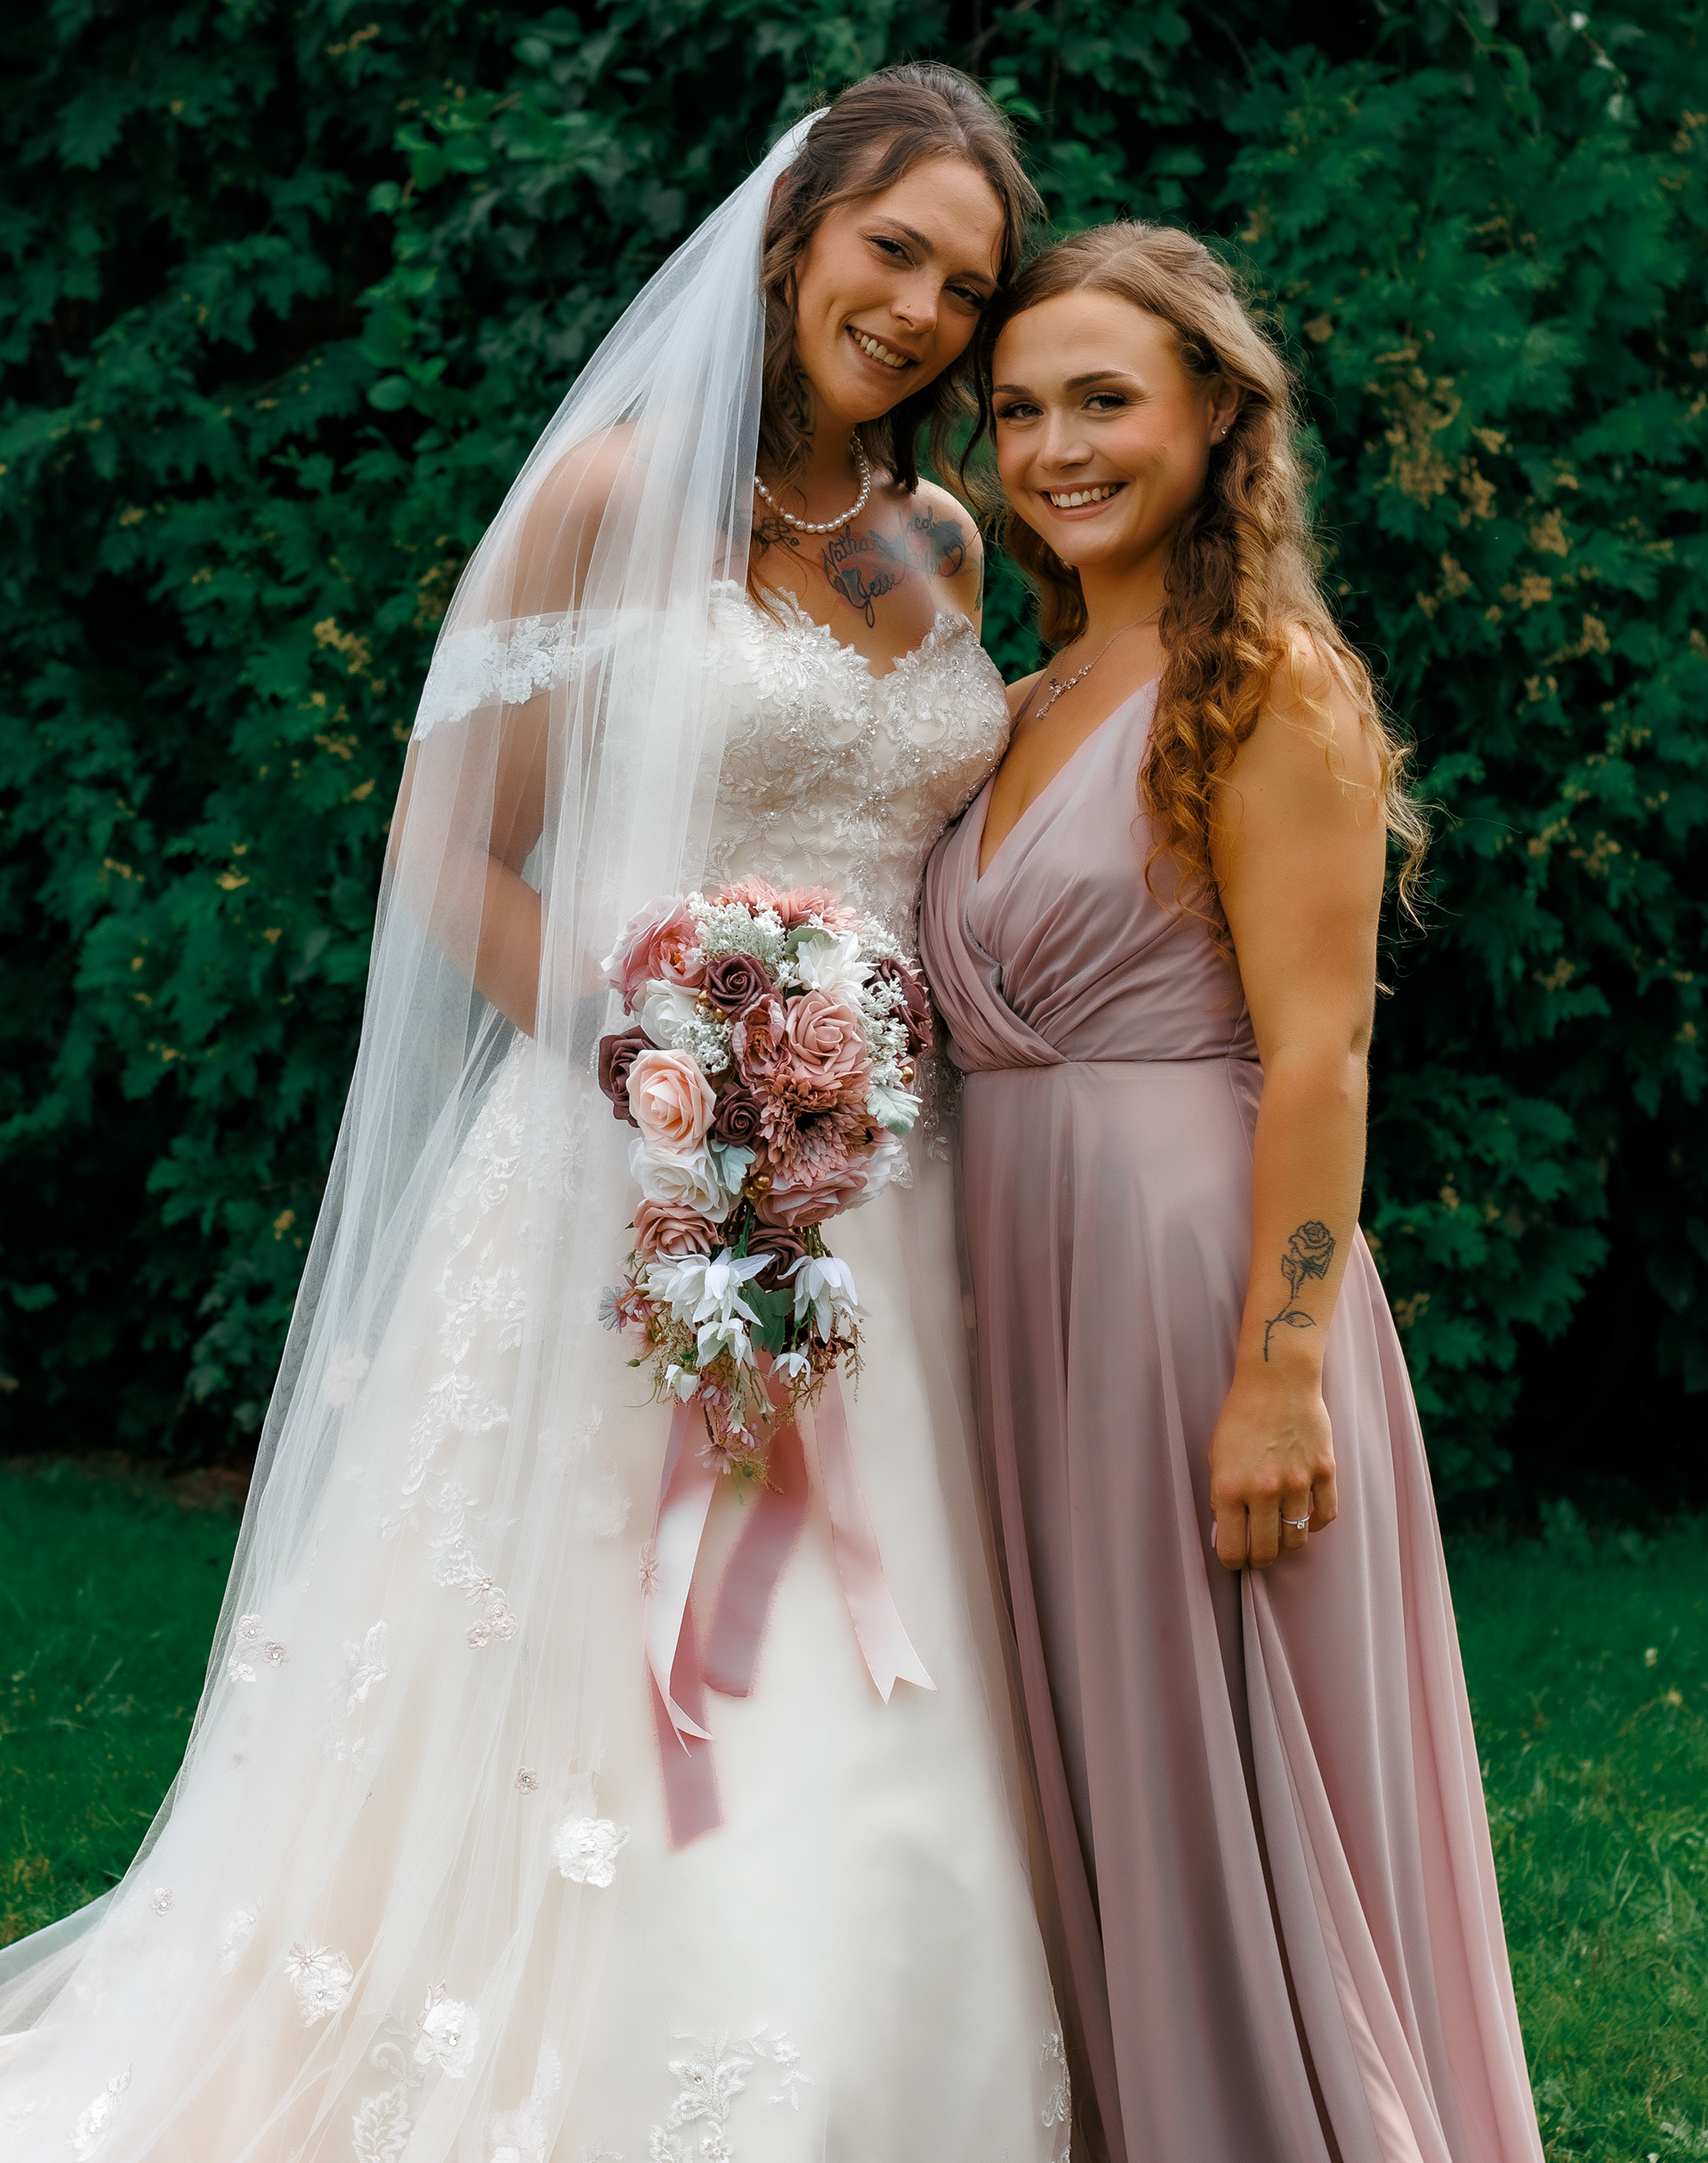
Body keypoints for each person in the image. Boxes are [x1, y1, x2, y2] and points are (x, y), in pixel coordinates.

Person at [0, 69, 1073, 2163]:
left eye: (968, 284)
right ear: (796, 236)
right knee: (602, 1647)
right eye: (895, 250)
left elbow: (938, 816)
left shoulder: (927, 540)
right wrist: (671, 1083)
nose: (926, 309)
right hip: (628, 1167)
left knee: (877, 1647)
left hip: (891, 1196)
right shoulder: (610, 501)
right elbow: (450, 852)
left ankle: (887, 2056)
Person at [920, 222, 1546, 2163]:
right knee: (1093, 1744)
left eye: (1104, 399)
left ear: (1216, 414)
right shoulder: (1022, 697)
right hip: (1016, 1288)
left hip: (1196, 1287)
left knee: (1235, 1748)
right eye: (1020, 409)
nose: (1055, 448)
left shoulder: (1269, 682)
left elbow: (1325, 1055)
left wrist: (1281, 1370)